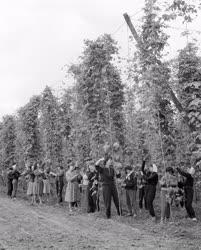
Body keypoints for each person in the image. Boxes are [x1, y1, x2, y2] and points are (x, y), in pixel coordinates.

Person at [95, 153, 120, 219]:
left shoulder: (112, 169)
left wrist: (117, 171)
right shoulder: (102, 169)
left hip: (113, 185)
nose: (111, 161)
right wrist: (100, 159)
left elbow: (118, 176)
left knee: (116, 199)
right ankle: (108, 215)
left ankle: (119, 212)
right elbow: (96, 165)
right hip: (106, 186)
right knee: (107, 201)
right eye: (109, 160)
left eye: (111, 160)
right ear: (106, 161)